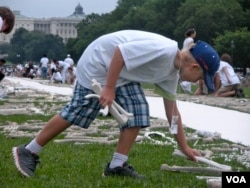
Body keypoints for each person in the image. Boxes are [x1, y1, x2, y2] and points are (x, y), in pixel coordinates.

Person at [12, 30, 219, 178]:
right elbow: (120, 52)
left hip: (120, 73)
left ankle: (116, 166)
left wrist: (184, 147)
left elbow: (173, 113)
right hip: (98, 62)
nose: (196, 82)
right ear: (194, 66)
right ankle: (29, 150)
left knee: (138, 111)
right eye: (201, 77)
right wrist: (109, 88)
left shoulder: (171, 74)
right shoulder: (163, 50)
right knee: (79, 110)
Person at [180, 28, 197, 93]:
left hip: (183, 54)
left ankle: (186, 85)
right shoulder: (191, 39)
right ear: (192, 34)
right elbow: (190, 46)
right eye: (195, 33)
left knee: (186, 70)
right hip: (188, 55)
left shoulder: (186, 39)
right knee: (190, 71)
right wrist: (196, 44)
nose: (195, 34)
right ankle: (185, 84)